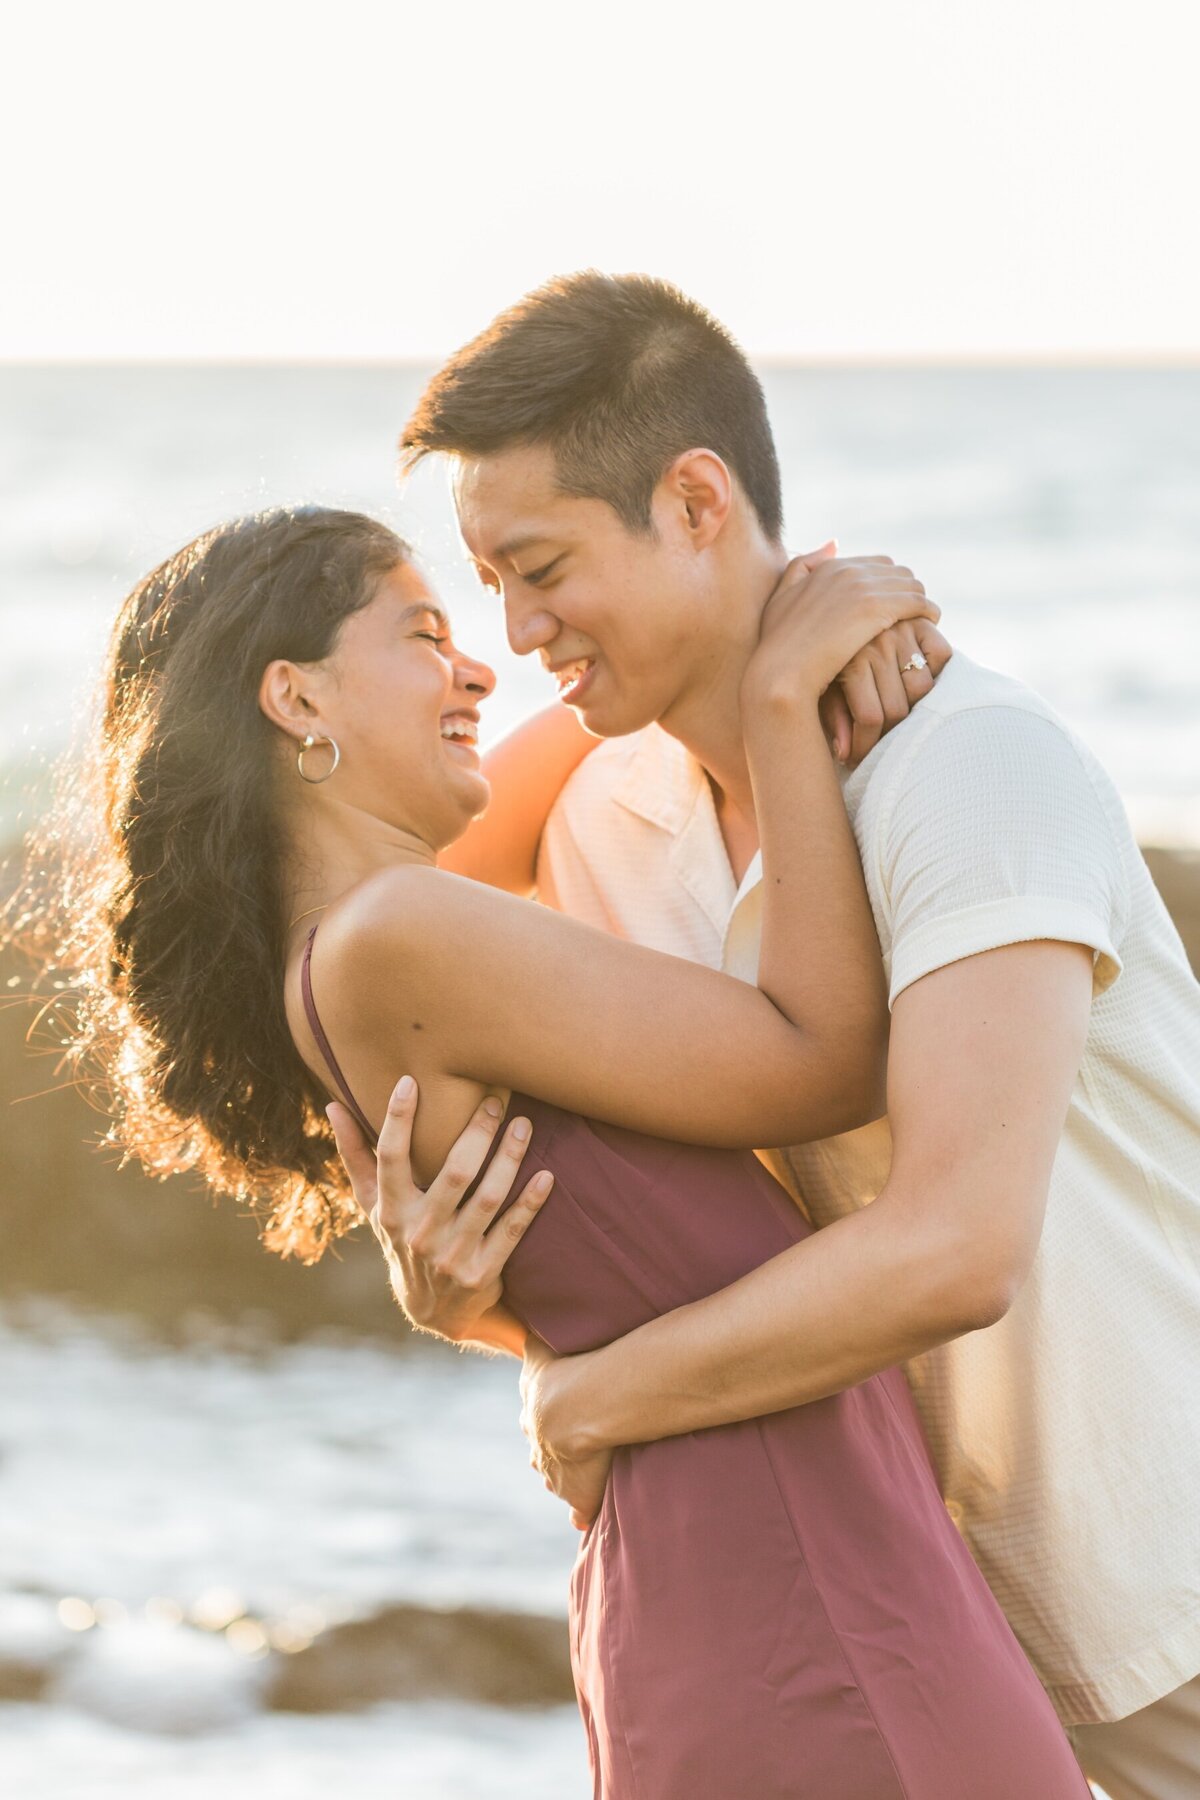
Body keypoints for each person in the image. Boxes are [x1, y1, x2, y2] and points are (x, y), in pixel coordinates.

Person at [20, 503, 1092, 1797]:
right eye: (424, 633)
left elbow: (608, 708)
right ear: (295, 698)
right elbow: (817, 1055)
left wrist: (781, 595)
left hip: (757, 1575)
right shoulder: (399, 935)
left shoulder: (350, 954)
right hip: (797, 1595)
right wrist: (784, 699)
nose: (478, 664)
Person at [338, 272, 1200, 1800]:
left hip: (1164, 1585)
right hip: (927, 1616)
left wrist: (598, 1396)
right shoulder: (606, 821)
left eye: (542, 569)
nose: (519, 633)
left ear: (693, 501)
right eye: (490, 586)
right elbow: (686, 1225)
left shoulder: (968, 768)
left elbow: (953, 1247)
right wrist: (459, 1287)